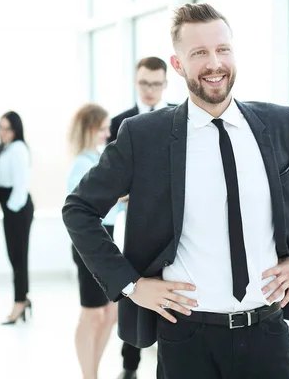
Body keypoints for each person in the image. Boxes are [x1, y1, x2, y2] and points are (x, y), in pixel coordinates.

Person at [63, 3, 289, 378]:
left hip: (266, 333)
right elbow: (79, 208)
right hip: (187, 339)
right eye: (199, 53)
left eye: (222, 49)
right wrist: (130, 285)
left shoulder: (281, 124)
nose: (214, 63)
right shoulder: (143, 136)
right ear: (177, 64)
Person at [108, 56, 173, 379]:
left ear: (165, 83)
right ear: (136, 81)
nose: (150, 90)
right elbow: (110, 183)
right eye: (145, 83)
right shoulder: (120, 122)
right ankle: (129, 366)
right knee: (133, 294)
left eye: (156, 83)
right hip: (134, 227)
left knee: (172, 296)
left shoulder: (180, 117)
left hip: (173, 226)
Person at [67, 103, 124, 379]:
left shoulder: (97, 159)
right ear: (90, 130)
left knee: (111, 313)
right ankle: (89, 375)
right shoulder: (82, 163)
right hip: (89, 245)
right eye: (102, 129)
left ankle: (93, 371)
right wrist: (120, 197)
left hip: (107, 240)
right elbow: (83, 210)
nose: (107, 133)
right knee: (92, 314)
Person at [0, 111, 34, 325]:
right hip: (10, 207)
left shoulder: (19, 149)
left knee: (18, 257)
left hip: (17, 208)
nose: (3, 133)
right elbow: (1, 180)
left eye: (8, 129)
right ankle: (24, 298)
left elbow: (21, 184)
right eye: (1, 128)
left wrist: (11, 209)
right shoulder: (6, 149)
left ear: (16, 130)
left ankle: (19, 302)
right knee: (15, 257)